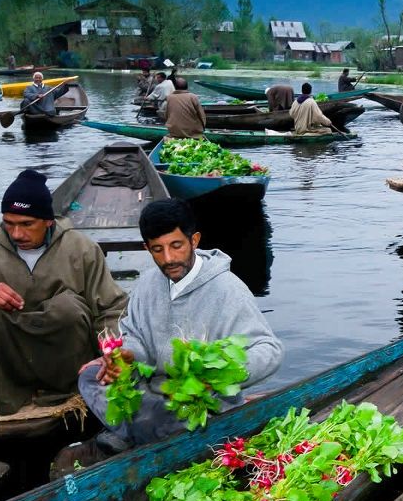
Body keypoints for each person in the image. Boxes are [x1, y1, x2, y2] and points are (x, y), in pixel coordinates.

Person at [61, 198, 282, 463]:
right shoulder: (147, 284)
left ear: (194, 240)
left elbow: (269, 350)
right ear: (147, 248)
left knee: (173, 417)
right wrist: (128, 356)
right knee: (90, 377)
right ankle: (140, 432)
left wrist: (218, 374)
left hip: (198, 402)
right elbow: (136, 336)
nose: (168, 259)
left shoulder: (228, 290)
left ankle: (128, 435)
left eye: (176, 246)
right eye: (158, 249)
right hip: (154, 395)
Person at [0, 170, 128, 415]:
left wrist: (113, 353)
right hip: (6, 369)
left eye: (27, 224)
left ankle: (63, 389)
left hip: (64, 367)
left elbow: (110, 307)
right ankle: (8, 394)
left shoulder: (81, 248)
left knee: (67, 307)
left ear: (48, 221)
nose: (17, 234)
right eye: (8, 223)